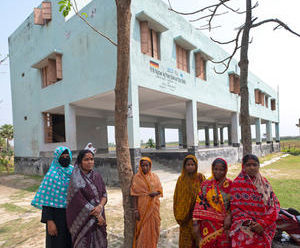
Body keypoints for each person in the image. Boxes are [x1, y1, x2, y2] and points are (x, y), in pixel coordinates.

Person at [230, 154, 280, 248]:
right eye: (248, 165)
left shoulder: (265, 183)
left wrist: (262, 224)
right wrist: (250, 223)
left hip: (265, 224)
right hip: (244, 223)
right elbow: (236, 209)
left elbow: (274, 205)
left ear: (258, 166)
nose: (252, 168)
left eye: (255, 165)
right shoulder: (237, 184)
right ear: (243, 166)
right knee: (243, 236)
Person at [31, 146, 73, 248]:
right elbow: (46, 201)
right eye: (62, 156)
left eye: (67, 156)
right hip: (56, 218)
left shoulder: (74, 171)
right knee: (57, 243)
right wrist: (49, 221)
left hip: (72, 216)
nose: (65, 158)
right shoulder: (52, 175)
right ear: (57, 158)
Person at [66, 148, 108, 248]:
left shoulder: (97, 176)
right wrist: (98, 215)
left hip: (99, 216)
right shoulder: (75, 179)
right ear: (80, 162)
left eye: (91, 159)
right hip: (84, 220)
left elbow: (104, 194)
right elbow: (80, 203)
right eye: (86, 159)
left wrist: (100, 207)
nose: (90, 162)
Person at [192, 158, 232, 248]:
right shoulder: (205, 185)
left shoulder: (230, 185)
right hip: (207, 225)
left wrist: (229, 216)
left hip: (225, 226)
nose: (218, 172)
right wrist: (195, 224)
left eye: (221, 170)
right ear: (212, 169)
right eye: (215, 169)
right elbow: (199, 205)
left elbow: (234, 205)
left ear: (225, 170)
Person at [173, 154, 206, 248]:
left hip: (198, 217)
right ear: (184, 166)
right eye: (188, 165)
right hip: (185, 218)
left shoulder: (200, 177)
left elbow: (205, 194)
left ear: (196, 166)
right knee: (186, 242)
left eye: (192, 164)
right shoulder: (181, 180)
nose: (190, 167)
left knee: (198, 242)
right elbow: (177, 198)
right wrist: (182, 214)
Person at [131, 157, 163, 248]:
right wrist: (135, 210)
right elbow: (134, 194)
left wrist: (155, 193)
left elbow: (160, 190)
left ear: (150, 166)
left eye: (147, 165)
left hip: (154, 208)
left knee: (154, 228)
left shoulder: (155, 176)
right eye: (143, 165)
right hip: (142, 209)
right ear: (140, 166)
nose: (145, 167)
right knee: (143, 231)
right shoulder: (136, 178)